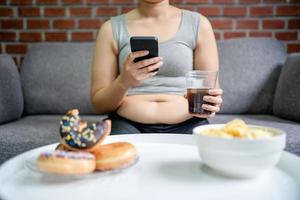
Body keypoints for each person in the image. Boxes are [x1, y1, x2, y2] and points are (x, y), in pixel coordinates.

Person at [91, 0, 223, 134]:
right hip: (126, 124)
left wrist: (210, 102)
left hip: (189, 123)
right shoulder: (110, 29)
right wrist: (123, 82)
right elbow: (100, 105)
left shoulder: (199, 24)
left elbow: (211, 91)